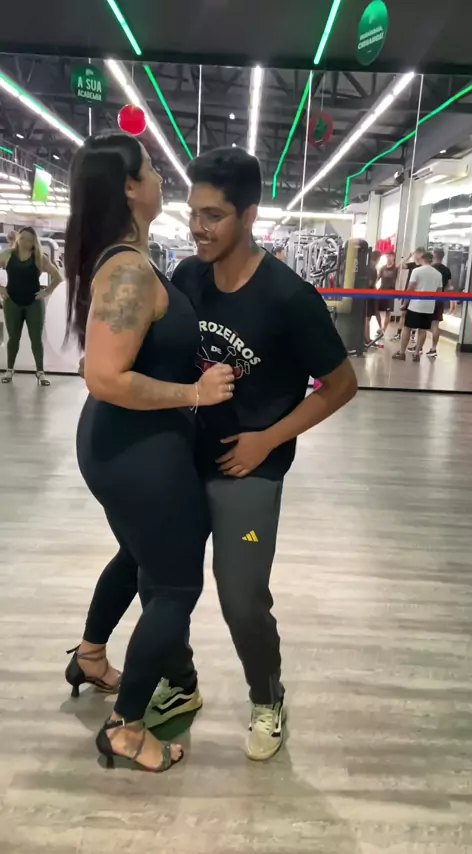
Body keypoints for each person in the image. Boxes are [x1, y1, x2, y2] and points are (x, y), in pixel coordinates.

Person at [146, 146, 357, 761]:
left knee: (241, 598)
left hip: (252, 469)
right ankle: (181, 684)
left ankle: (268, 699)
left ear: (249, 215)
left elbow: (342, 385)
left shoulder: (289, 297)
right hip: (185, 459)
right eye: (193, 213)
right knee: (161, 583)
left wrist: (270, 437)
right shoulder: (188, 277)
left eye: (213, 215)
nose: (198, 227)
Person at [64, 132, 234, 772]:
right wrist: (195, 392)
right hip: (136, 449)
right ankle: (127, 729)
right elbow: (104, 376)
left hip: (124, 443)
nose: (163, 177)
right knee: (175, 586)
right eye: (152, 169)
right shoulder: (129, 270)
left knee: (137, 555)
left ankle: (89, 656)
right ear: (131, 188)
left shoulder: (131, 260)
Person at [0, 226, 61, 385]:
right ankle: (9, 370)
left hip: (34, 303)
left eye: (29, 240)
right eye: (23, 238)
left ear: (34, 242)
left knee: (36, 339)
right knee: (13, 338)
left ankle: (40, 372)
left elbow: (57, 277)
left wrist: (46, 291)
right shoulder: (7, 254)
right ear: (18, 239)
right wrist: (0, 288)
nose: (25, 242)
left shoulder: (39, 258)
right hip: (12, 301)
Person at [393, 251, 442, 362]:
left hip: (415, 305)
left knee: (407, 328)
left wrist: (405, 303)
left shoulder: (417, 271)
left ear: (422, 259)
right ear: (431, 260)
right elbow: (439, 292)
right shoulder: (438, 274)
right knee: (423, 330)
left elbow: (410, 288)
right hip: (429, 306)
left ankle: (402, 353)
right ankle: (416, 354)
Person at [391, 247, 426, 342]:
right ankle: (398, 333)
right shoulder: (413, 265)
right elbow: (398, 266)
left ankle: (413, 335)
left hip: (417, 293)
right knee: (403, 313)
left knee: (416, 315)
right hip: (408, 291)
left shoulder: (423, 267)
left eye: (417, 254)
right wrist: (408, 256)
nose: (415, 256)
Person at [429, 248, 452, 357]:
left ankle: (418, 347)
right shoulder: (447, 270)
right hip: (440, 298)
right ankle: (434, 348)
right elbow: (449, 286)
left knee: (422, 324)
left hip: (429, 298)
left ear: (434, 256)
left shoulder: (431, 269)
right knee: (435, 324)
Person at [376, 251, 397, 334]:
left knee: (388, 312)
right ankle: (380, 327)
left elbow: (403, 265)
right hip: (381, 291)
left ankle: (384, 329)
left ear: (393, 257)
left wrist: (408, 257)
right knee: (376, 309)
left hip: (390, 292)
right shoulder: (383, 268)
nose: (388, 258)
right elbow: (377, 278)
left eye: (390, 256)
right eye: (387, 256)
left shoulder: (395, 268)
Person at [364, 249, 382, 344]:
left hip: (366, 294)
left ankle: (365, 337)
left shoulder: (367, 267)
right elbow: (370, 283)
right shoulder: (372, 269)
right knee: (367, 317)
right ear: (377, 258)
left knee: (367, 317)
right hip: (370, 294)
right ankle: (367, 339)